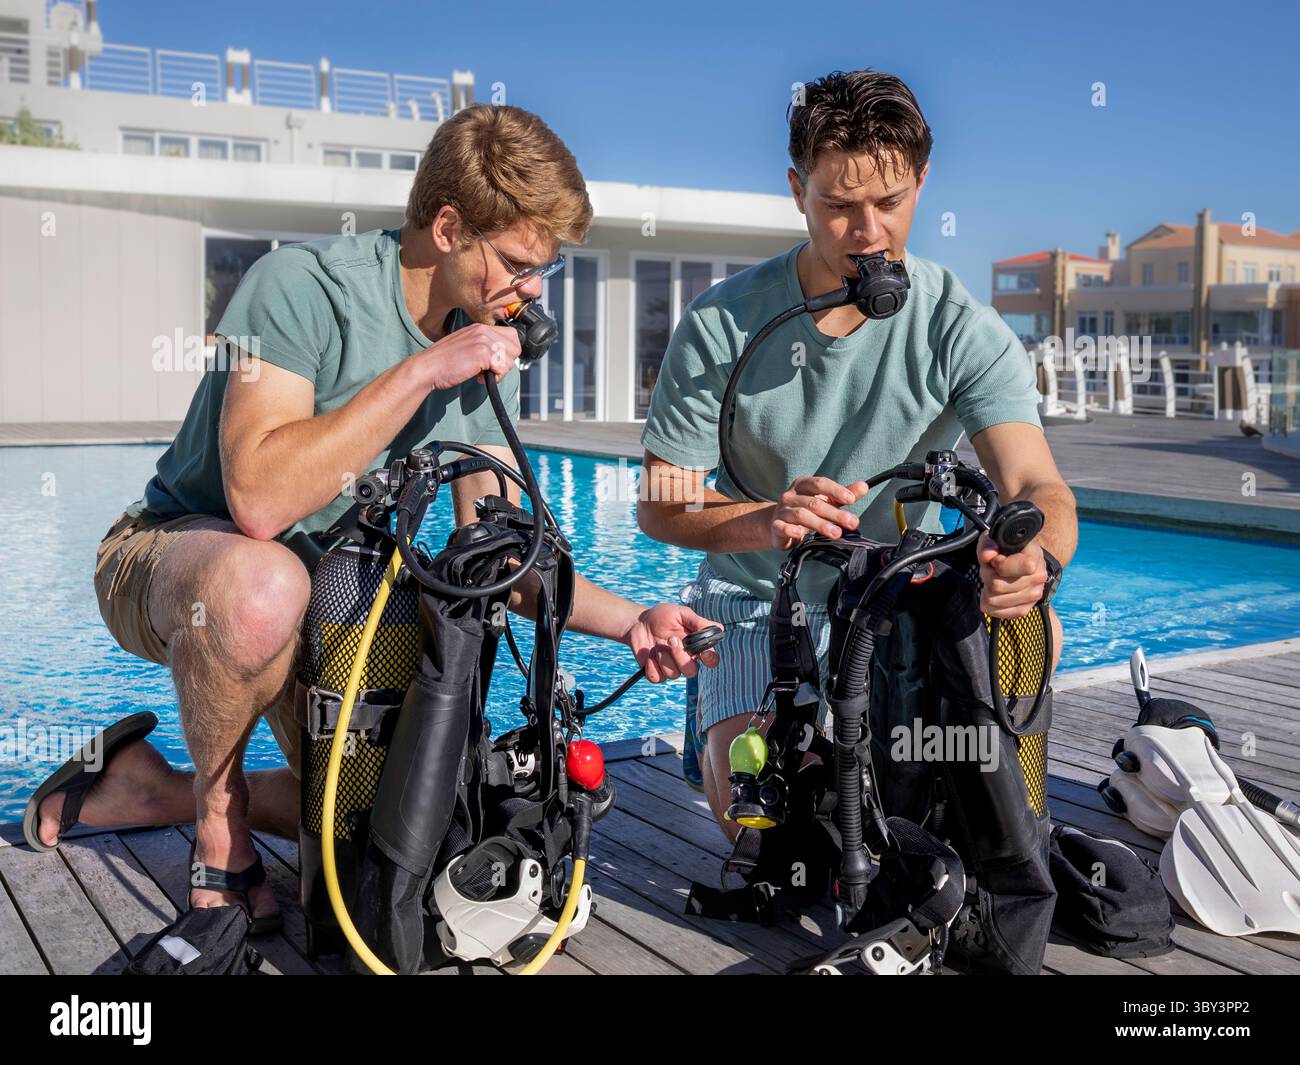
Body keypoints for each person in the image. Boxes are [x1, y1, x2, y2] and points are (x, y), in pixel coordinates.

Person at [26, 104, 721, 930]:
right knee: (263, 585)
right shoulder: (299, 287)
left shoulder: (472, 348)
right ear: (449, 224)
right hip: (173, 558)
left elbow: (507, 559)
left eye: (548, 269)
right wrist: (423, 372)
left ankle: (143, 786)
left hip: (318, 601)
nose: (533, 290)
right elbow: (257, 499)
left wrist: (637, 620)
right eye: (518, 264)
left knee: (414, 808)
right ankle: (219, 830)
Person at [636, 70, 1076, 841]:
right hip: (752, 605)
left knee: (1032, 624)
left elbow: (1039, 484)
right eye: (838, 206)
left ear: (922, 182)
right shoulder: (718, 325)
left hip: (896, 602)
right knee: (771, 834)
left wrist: (1038, 558)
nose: (868, 232)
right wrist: (766, 520)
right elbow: (661, 504)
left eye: (890, 202)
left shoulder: (958, 327)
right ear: (796, 189)